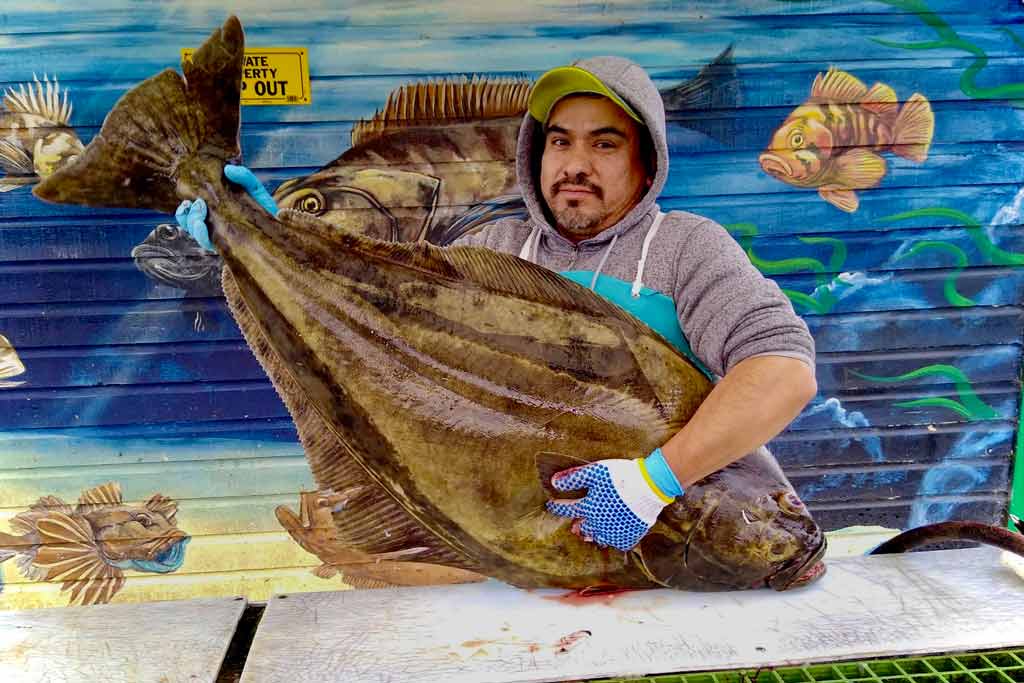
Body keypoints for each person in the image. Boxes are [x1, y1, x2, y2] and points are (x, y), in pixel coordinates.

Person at [177, 56, 817, 555]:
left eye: (605, 144)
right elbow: (372, 322)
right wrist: (264, 236)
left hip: (660, 555)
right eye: (560, 143)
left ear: (646, 164)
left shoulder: (687, 249)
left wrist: (655, 481)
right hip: (508, 553)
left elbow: (783, 372)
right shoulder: (493, 245)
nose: (575, 165)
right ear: (535, 156)